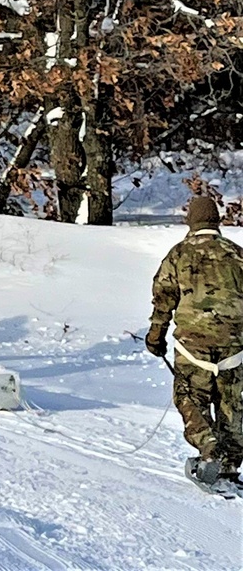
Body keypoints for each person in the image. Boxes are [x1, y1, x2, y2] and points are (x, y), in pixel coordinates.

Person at [146, 195, 243, 486]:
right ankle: (229, 466)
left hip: (192, 347)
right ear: (216, 221)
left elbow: (163, 299)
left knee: (191, 398)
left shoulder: (178, 254)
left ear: (191, 221)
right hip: (235, 347)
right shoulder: (238, 254)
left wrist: (156, 336)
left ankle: (208, 448)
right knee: (233, 405)